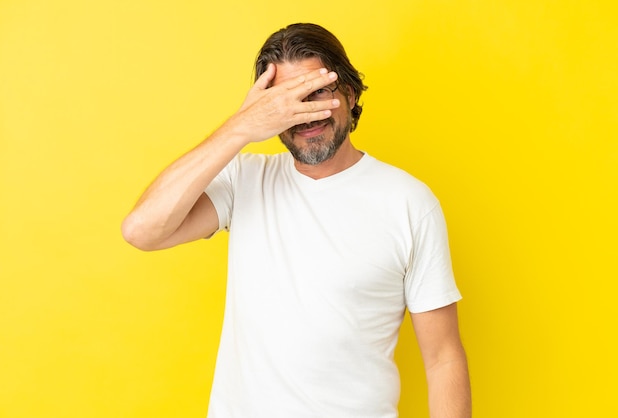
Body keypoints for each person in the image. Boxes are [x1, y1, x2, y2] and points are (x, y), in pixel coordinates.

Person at [122, 23, 471, 418]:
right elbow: (141, 230)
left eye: (317, 92)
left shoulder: (408, 202)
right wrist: (241, 126)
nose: (305, 113)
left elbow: (443, 358)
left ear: (349, 93)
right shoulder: (244, 179)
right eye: (287, 100)